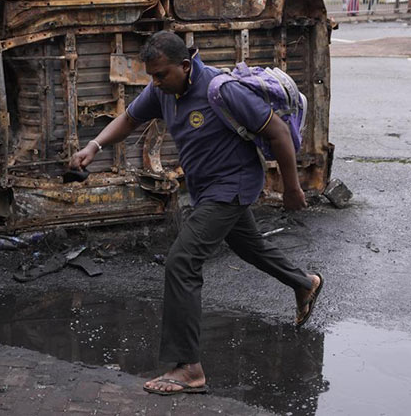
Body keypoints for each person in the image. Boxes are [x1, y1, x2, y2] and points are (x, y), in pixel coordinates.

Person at [69, 31, 323, 396]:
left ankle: (188, 368)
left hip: (232, 186)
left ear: (185, 66)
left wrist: (293, 188)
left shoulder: (222, 90)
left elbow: (279, 132)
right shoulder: (164, 89)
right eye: (152, 77)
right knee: (249, 246)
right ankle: (304, 283)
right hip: (206, 189)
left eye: (160, 75)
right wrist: (94, 146)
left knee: (182, 262)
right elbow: (129, 118)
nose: (154, 83)